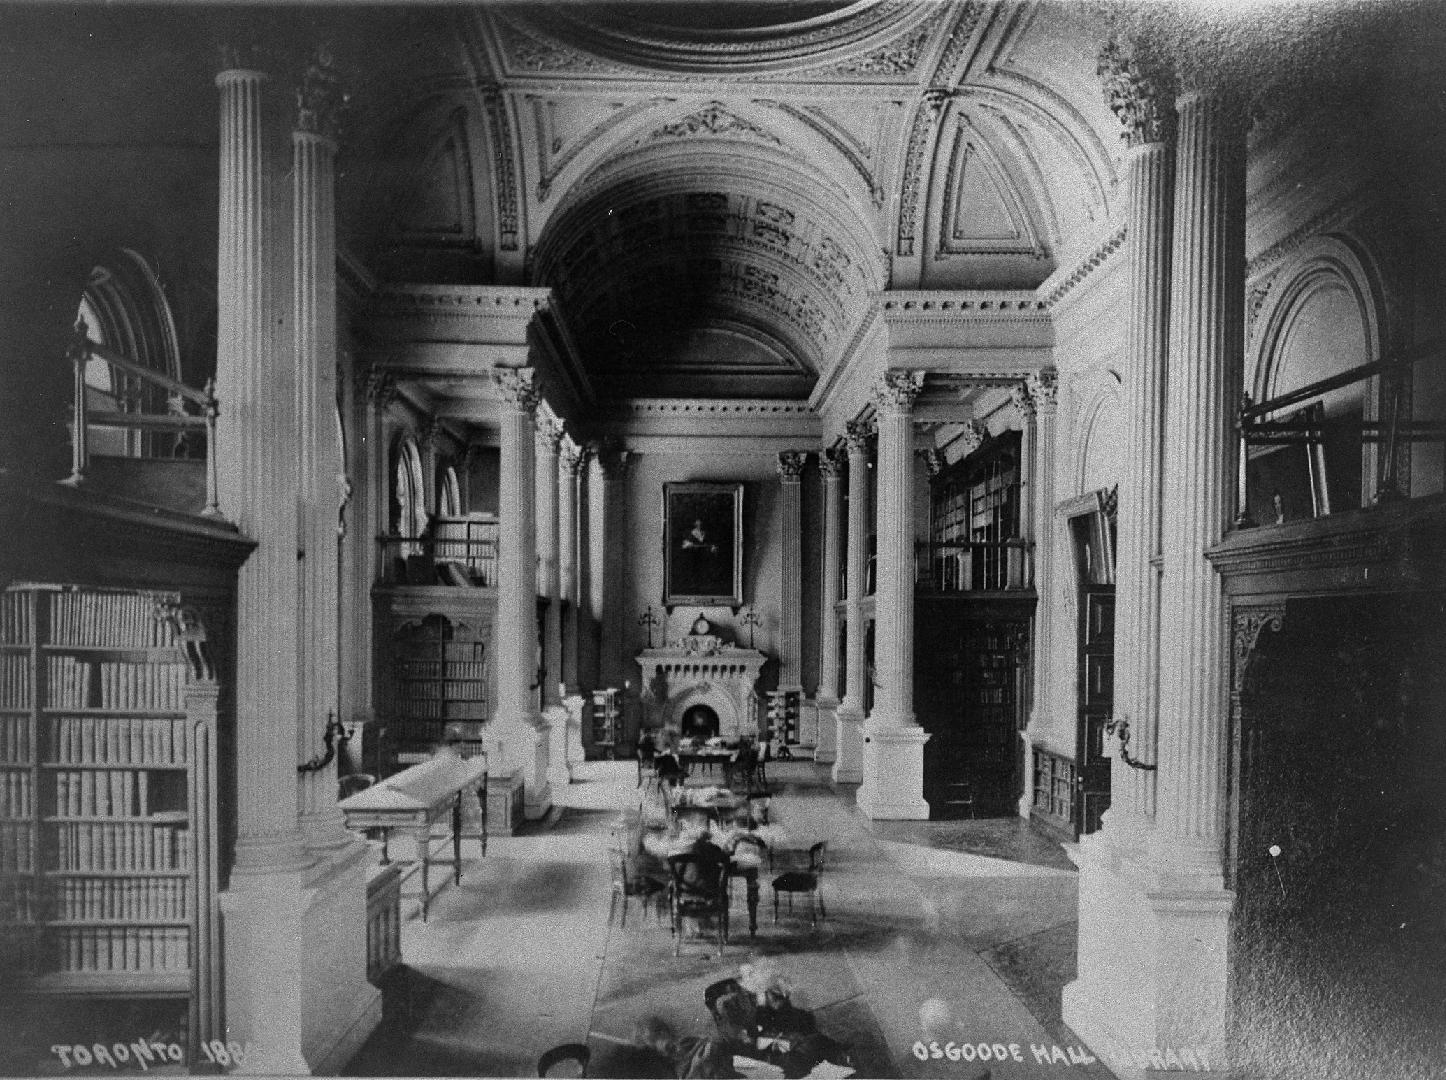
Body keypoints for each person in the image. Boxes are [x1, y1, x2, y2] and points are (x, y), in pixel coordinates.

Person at [634, 1016, 738, 1079]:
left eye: (658, 1032)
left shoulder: (695, 1042)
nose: (660, 1044)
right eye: (653, 1046)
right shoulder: (682, 1072)